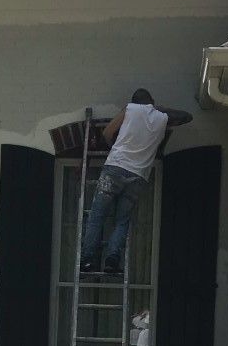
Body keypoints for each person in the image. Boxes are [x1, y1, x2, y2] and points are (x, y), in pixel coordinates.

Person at [80, 88, 192, 273]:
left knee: (97, 215)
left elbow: (107, 133)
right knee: (122, 220)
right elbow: (187, 117)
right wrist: (159, 109)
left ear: (134, 101)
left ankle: (88, 260)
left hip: (115, 169)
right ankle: (112, 260)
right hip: (138, 176)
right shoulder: (162, 118)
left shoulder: (130, 109)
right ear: (151, 102)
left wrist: (113, 147)